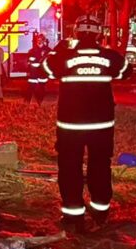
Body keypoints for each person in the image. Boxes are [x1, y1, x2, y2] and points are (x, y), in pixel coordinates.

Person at [43, 16, 127, 232]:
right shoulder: (110, 57)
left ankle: (73, 215)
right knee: (100, 165)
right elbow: (125, 71)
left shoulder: (64, 57)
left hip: (71, 126)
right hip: (101, 126)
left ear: (76, 32)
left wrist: (59, 49)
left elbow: (46, 68)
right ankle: (100, 211)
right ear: (98, 33)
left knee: (70, 166)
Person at [25, 32, 50, 104]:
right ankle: (27, 102)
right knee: (31, 87)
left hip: (42, 71)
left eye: (41, 40)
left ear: (44, 40)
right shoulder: (32, 50)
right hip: (33, 72)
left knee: (41, 88)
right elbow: (29, 60)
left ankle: (40, 102)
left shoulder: (47, 50)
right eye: (38, 40)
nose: (39, 41)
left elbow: (50, 60)